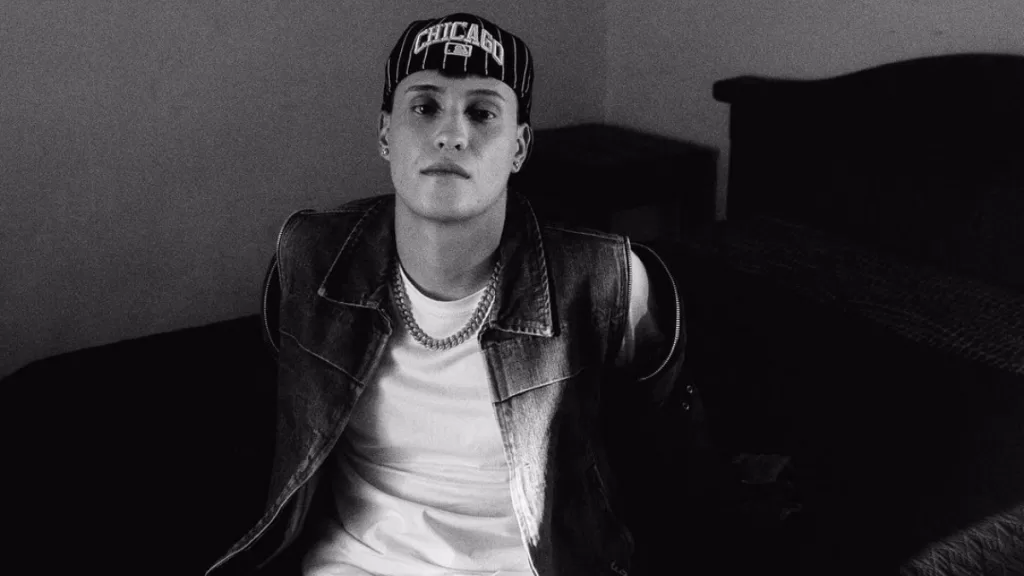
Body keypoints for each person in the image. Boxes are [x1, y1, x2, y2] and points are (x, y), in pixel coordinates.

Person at [205, 12, 693, 576]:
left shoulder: (603, 278)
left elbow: (658, 444)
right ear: (385, 133)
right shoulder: (312, 260)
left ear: (519, 147)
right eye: (425, 106)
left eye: (482, 112)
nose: (451, 134)